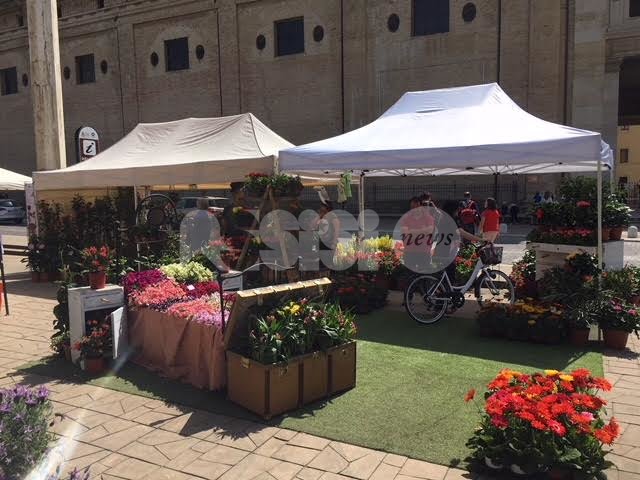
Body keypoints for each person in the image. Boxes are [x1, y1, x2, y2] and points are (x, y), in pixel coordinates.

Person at [435, 200, 485, 282]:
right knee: (450, 274)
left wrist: (457, 241)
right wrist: (479, 239)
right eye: (457, 209)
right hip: (446, 251)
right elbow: (462, 232)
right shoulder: (451, 219)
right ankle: (446, 289)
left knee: (448, 274)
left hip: (443, 249)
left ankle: (446, 288)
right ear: (452, 209)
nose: (458, 211)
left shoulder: (444, 218)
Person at [401, 197, 435, 273]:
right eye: (413, 207)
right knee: (409, 274)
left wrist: (411, 231)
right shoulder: (406, 218)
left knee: (423, 275)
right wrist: (423, 231)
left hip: (424, 251)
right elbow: (405, 233)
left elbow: (429, 231)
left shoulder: (428, 218)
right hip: (409, 251)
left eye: (417, 206)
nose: (415, 209)